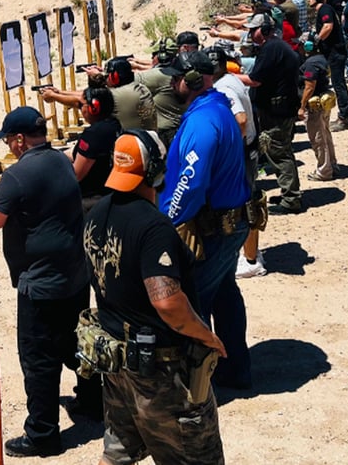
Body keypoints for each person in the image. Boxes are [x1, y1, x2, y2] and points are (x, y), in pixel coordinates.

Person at [0, 106, 101, 458]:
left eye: (9, 140)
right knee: (77, 342)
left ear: (20, 139)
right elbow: (27, 203)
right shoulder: (59, 161)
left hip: (41, 282)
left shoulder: (17, 174)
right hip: (73, 273)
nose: (8, 146)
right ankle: (93, 402)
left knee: (39, 360)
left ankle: (42, 434)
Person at [83, 131, 227, 465]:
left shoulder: (94, 215)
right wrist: (208, 337)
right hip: (160, 369)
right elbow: (167, 302)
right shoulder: (153, 228)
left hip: (116, 359)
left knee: (118, 449)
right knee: (194, 456)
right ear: (157, 171)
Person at [159, 51, 253, 389]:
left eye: (177, 77)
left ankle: (199, 381)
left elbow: (191, 181)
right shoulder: (215, 108)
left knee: (193, 301)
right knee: (225, 293)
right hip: (227, 222)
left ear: (193, 81)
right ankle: (234, 367)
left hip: (214, 226)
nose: (172, 82)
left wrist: (168, 220)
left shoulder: (202, 120)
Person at [205, 41, 267, 279]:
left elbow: (240, 120)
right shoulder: (231, 79)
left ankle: (251, 261)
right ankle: (251, 255)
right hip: (248, 150)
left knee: (245, 206)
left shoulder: (224, 89)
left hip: (241, 153)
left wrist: (230, 149)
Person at [236, 13, 304, 215]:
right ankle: (289, 194)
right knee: (281, 150)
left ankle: (291, 199)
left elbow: (255, 80)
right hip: (280, 108)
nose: (250, 33)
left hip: (277, 111)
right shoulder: (275, 46)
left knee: (279, 152)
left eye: (253, 30)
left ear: (264, 30)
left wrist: (228, 76)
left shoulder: (271, 48)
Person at [40, 56, 156, 132]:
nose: (105, 78)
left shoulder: (116, 95)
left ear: (114, 77)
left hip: (131, 145)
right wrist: (60, 92)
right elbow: (88, 94)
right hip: (148, 140)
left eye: (107, 76)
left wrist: (54, 96)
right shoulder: (139, 88)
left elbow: (82, 101)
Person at [67, 87, 122, 211]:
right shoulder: (114, 124)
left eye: (81, 105)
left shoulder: (93, 134)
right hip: (109, 190)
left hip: (91, 199)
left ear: (94, 108)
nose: (80, 108)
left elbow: (76, 175)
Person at [310, 0, 348, 132]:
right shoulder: (324, 9)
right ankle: (344, 116)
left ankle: (344, 119)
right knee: (337, 83)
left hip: (336, 53)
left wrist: (317, 39)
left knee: (339, 84)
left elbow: (328, 26)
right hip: (333, 53)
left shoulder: (325, 9)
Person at [299, 36, 339, 181]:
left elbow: (309, 87)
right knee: (325, 135)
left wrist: (301, 107)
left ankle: (324, 171)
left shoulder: (311, 64)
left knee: (318, 139)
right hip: (324, 103)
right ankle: (332, 164)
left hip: (314, 106)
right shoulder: (322, 58)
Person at [135, 37, 188, 148]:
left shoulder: (159, 75)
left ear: (161, 56)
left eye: (153, 55)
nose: (152, 58)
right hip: (179, 131)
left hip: (164, 136)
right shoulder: (178, 72)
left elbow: (125, 80)